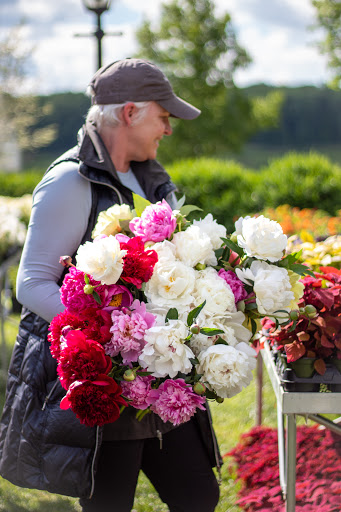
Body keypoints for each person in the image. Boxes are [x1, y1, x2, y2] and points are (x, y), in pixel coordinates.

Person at [0, 58, 221, 512]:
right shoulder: (70, 181)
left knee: (198, 493)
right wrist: (111, 343)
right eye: (164, 116)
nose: (169, 129)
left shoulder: (154, 183)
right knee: (108, 504)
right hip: (106, 386)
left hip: (162, 379)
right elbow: (32, 283)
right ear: (130, 112)